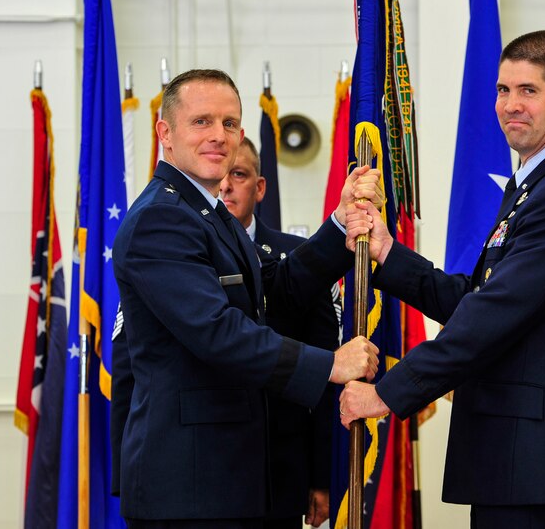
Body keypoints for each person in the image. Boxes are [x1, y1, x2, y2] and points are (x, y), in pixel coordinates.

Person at [340, 30, 545, 529]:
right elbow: (476, 297)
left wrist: (388, 393)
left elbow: (490, 317)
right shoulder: (533, 187)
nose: (510, 105)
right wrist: (386, 251)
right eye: (502, 90)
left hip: (530, 459)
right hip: (510, 456)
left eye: (528, 91)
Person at [112, 68, 381, 528]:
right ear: (165, 133)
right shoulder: (162, 219)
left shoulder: (208, 212)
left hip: (228, 480)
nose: (219, 136)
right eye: (202, 122)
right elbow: (217, 332)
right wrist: (330, 365)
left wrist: (337, 225)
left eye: (230, 123)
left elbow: (270, 291)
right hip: (189, 488)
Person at [219, 136, 337, 529]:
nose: (226, 185)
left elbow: (325, 376)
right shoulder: (186, 257)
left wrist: (321, 477)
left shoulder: (301, 260)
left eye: (239, 174)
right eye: (220, 174)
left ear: (260, 186)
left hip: (280, 470)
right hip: (209, 469)